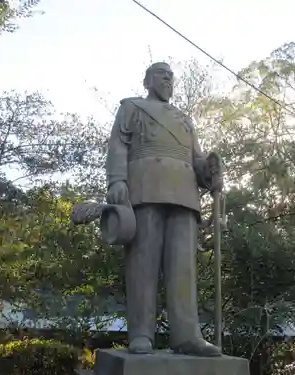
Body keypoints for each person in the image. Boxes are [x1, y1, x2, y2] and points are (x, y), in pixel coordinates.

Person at [105, 62, 221, 357]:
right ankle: (141, 333)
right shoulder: (132, 107)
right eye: (162, 74)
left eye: (171, 76)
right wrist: (117, 179)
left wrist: (209, 172)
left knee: (183, 268)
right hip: (146, 187)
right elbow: (118, 146)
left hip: (184, 193)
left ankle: (187, 335)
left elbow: (195, 159)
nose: (168, 79)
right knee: (143, 263)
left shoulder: (184, 119)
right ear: (147, 80)